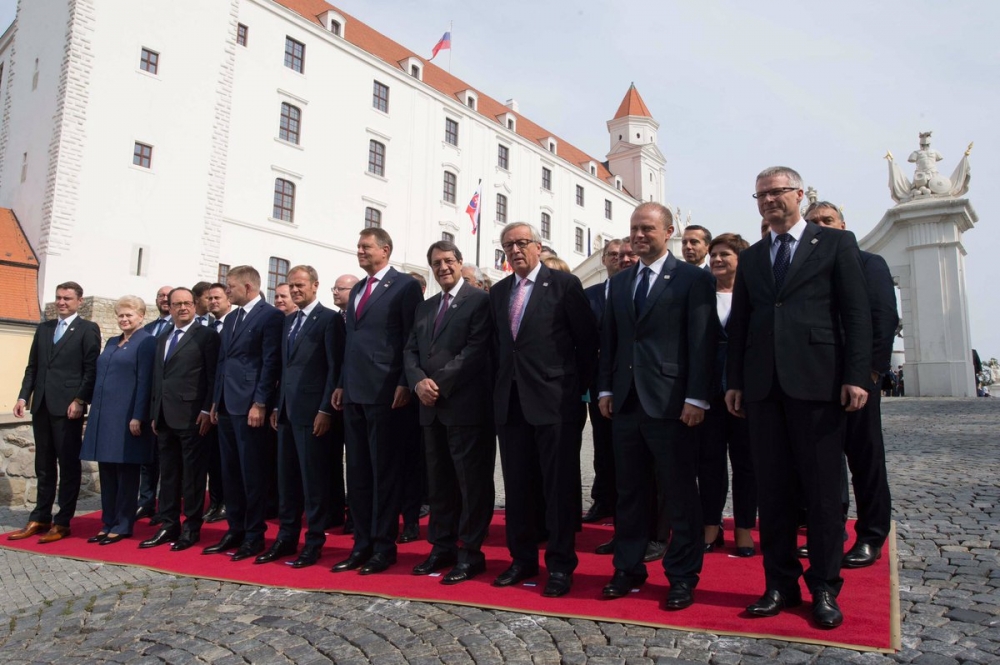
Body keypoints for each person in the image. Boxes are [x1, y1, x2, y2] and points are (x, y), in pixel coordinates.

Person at [726, 166, 871, 629]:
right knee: (774, 492)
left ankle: (825, 586)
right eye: (761, 195)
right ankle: (779, 583)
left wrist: (856, 375)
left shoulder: (834, 244)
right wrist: (735, 381)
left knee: (825, 494)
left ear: (799, 194)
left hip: (819, 384)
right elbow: (741, 327)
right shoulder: (752, 259)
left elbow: (856, 312)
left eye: (778, 192)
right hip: (765, 390)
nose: (769, 200)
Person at [597, 202, 716, 609]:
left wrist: (697, 396)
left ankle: (682, 576)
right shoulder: (622, 281)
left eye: (647, 228)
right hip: (627, 402)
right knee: (629, 493)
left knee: (679, 494)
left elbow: (702, 342)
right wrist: (606, 390)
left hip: (673, 403)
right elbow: (611, 342)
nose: (639, 235)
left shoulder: (691, 279)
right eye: (634, 228)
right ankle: (627, 569)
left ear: (669, 233)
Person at [490, 221, 598, 598]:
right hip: (512, 402)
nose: (516, 250)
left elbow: (586, 344)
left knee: (558, 489)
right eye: (509, 245)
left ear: (538, 246)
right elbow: (497, 348)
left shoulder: (564, 285)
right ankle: (521, 560)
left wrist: (572, 388)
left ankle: (560, 565)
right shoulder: (500, 291)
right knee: (518, 487)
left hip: (555, 400)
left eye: (522, 243)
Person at [805, 201, 898, 569]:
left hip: (859, 381)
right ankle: (829, 533)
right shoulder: (810, 270)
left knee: (866, 460)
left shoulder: (868, 263)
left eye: (827, 221)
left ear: (843, 224)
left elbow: (883, 318)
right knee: (822, 465)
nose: (821, 227)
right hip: (817, 381)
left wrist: (869, 374)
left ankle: (872, 535)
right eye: (814, 223)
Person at [331, 228, 423, 575]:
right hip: (354, 391)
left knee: (384, 472)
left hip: (386, 391)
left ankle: (384, 547)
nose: (360, 251)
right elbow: (352, 341)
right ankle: (362, 544)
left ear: (385, 249)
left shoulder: (404, 286)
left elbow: (410, 337)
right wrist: (341, 383)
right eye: (358, 246)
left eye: (366, 247)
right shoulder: (357, 289)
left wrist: (404, 381)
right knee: (357, 472)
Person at [404, 240, 495, 584]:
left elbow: (475, 350)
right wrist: (417, 382)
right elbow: (410, 350)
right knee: (439, 484)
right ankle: (441, 547)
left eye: (448, 261)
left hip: (465, 407)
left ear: (460, 262)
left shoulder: (479, 301)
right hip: (430, 407)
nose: (442, 267)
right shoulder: (425, 308)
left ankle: (471, 553)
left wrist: (436, 383)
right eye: (436, 263)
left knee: (471, 484)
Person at [260, 265, 343, 568]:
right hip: (286, 414)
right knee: (287, 481)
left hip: (313, 414)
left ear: (314, 286)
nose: (295, 291)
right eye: (290, 286)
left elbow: (334, 368)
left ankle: (314, 542)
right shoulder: (289, 321)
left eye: (300, 285)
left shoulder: (329, 320)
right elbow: (284, 368)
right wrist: (276, 407)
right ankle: (286, 538)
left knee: (313, 483)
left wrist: (325, 409)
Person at [10, 281, 101, 543]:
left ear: (79, 301)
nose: (62, 302)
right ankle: (40, 516)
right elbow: (33, 366)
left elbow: (90, 368)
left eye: (67, 298)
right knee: (43, 465)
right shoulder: (45, 328)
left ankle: (63, 521)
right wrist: (23, 396)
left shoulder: (87, 329)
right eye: (59, 297)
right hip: (41, 405)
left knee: (68, 464)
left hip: (68, 408)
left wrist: (80, 399)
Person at [206, 265, 284, 561]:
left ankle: (254, 534)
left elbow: (270, 362)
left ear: (248, 287)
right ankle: (235, 529)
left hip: (250, 405)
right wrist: (215, 400)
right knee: (230, 473)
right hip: (226, 404)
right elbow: (223, 362)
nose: (227, 292)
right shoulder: (233, 317)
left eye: (230, 286)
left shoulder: (270, 316)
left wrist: (260, 402)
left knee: (252, 473)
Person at [142, 288, 220, 551]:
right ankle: (168, 524)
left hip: (193, 417)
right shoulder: (163, 338)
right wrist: (155, 413)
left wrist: (208, 410)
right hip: (164, 417)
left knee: (193, 478)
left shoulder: (206, 336)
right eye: (177, 304)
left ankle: (191, 528)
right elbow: (158, 379)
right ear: (170, 307)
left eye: (187, 303)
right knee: (169, 475)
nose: (183, 308)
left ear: (195, 305)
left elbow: (212, 376)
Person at [697, 233, 756, 557]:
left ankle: (744, 527)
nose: (717, 260)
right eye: (714, 255)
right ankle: (710, 524)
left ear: (740, 259)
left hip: (745, 392)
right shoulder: (701, 293)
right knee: (709, 462)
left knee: (746, 463)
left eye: (724, 255)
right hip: (707, 391)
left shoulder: (754, 294)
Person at [79, 295, 155, 545]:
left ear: (141, 316)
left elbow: (145, 382)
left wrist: (138, 416)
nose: (124, 319)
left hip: (127, 418)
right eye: (120, 315)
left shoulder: (147, 342)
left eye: (129, 315)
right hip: (104, 416)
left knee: (126, 473)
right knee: (108, 472)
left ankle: (123, 524)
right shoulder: (112, 341)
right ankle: (107, 521)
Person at [583, 240, 621, 525]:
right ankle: (603, 499)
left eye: (624, 255)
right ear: (604, 260)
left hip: (635, 381)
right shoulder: (591, 295)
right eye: (613, 255)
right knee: (603, 444)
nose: (619, 259)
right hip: (599, 382)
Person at [138, 284, 174, 524]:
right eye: (160, 296)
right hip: (148, 397)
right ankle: (145, 501)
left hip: (169, 401)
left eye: (167, 297)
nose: (163, 299)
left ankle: (166, 504)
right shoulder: (148, 329)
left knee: (167, 459)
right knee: (147, 457)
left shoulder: (178, 328)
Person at [202, 283, 231, 523]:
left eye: (217, 297)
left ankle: (228, 503)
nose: (213, 302)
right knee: (212, 458)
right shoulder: (210, 328)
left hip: (229, 401)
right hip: (211, 400)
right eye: (209, 298)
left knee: (226, 460)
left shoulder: (234, 325)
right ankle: (216, 500)